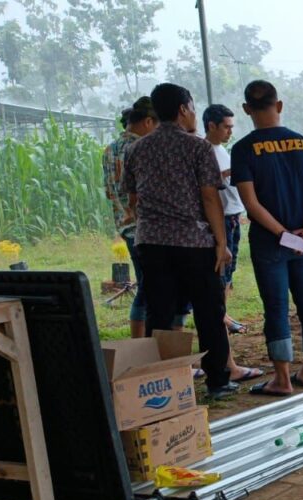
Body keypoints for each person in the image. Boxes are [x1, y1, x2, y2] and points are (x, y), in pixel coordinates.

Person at [122, 83, 237, 399]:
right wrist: (221, 242)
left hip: (151, 243)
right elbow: (210, 198)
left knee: (159, 313)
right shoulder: (197, 148)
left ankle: (160, 383)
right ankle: (217, 381)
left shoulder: (137, 149)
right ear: (184, 108)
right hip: (194, 243)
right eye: (193, 107)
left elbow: (132, 199)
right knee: (208, 312)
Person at [231, 80, 303, 397]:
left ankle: (282, 379)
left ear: (247, 109)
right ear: (280, 105)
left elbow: (251, 204)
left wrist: (281, 233)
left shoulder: (244, 149)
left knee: (275, 307)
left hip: (268, 241)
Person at [102, 96, 186, 338]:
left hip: (125, 224)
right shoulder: (140, 148)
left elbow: (111, 190)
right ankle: (143, 344)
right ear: (149, 122)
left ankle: (141, 342)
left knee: (147, 285)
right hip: (145, 227)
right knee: (150, 288)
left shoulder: (111, 149)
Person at [202, 103, 264, 384]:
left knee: (225, 285)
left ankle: (224, 321)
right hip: (222, 222)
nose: (229, 132)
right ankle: (227, 363)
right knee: (219, 288)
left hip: (232, 219)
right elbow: (209, 193)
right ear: (211, 125)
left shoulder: (222, 150)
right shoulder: (204, 151)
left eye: (231, 126)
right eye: (225, 126)